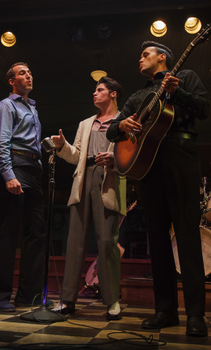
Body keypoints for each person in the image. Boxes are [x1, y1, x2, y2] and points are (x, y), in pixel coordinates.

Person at [106, 41, 209, 337]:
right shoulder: (138, 95)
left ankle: (195, 314)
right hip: (147, 167)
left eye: (145, 54)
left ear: (162, 58)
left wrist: (180, 93)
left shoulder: (186, 77)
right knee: (158, 242)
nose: (140, 59)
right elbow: (113, 130)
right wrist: (123, 126)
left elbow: (204, 109)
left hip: (181, 158)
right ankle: (165, 310)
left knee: (187, 237)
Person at [50, 76, 127, 320]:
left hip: (109, 180)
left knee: (106, 242)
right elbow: (77, 156)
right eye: (95, 90)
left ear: (113, 94)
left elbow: (132, 155)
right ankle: (67, 299)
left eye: (100, 90)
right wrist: (63, 147)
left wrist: (115, 161)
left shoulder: (124, 120)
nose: (94, 94)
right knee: (75, 241)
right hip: (83, 179)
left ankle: (112, 299)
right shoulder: (86, 123)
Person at [0, 62, 46, 312]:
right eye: (23, 73)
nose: (29, 75)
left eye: (30, 72)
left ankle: (29, 296)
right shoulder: (6, 105)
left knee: (37, 233)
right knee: (9, 232)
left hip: (33, 170)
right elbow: (0, 142)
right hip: (16, 167)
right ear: (11, 81)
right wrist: (9, 174)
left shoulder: (32, 108)